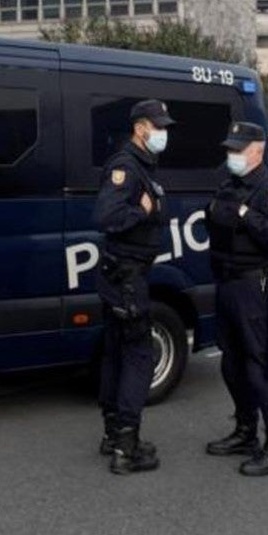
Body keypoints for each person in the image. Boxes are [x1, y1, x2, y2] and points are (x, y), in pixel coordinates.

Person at [204, 121, 268, 476]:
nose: (232, 155)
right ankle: (245, 431)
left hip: (253, 287)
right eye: (229, 149)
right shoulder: (229, 185)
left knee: (260, 367)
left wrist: (243, 214)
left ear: (257, 150)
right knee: (231, 363)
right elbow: (212, 222)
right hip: (225, 282)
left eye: (238, 149)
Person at [92, 98, 174, 475]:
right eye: (158, 127)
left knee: (115, 352)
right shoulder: (127, 166)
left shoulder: (142, 164)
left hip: (121, 274)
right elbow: (106, 216)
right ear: (140, 127)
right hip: (126, 277)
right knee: (138, 356)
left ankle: (112, 433)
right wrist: (142, 211)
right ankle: (127, 446)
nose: (163, 133)